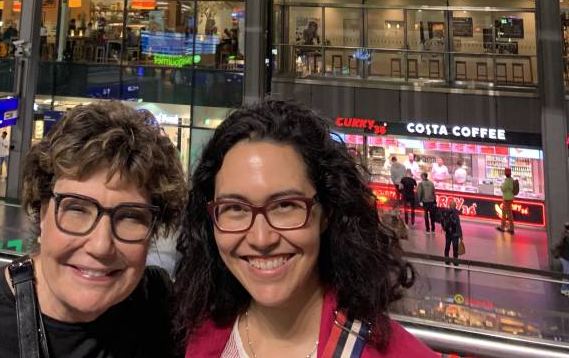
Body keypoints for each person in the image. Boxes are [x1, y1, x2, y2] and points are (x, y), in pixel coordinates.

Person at [175, 99, 437, 358]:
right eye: (235, 208)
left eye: (285, 205)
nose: (261, 238)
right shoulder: (195, 332)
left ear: (327, 212)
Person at [0, 100, 186, 357]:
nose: (100, 246)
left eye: (130, 217)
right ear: (42, 213)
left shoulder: (157, 308)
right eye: (77, 210)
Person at [440, 202, 463, 267]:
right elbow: (458, 225)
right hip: (455, 233)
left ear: (449, 206)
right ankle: (455, 262)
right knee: (455, 248)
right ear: (455, 206)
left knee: (447, 246)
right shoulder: (455, 213)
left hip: (448, 233)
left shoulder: (446, 212)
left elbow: (442, 220)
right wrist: (460, 234)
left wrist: (444, 228)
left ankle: (446, 260)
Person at [552, 222, 569, 296]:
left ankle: (566, 288)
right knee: (567, 273)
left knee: (567, 273)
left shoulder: (565, 234)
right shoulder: (566, 236)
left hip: (564, 257)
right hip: (565, 258)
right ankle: (564, 289)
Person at [496, 168, 515, 234]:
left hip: (507, 199)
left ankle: (511, 229)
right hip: (509, 198)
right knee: (504, 213)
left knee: (509, 214)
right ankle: (502, 227)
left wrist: (501, 186)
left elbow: (503, 189)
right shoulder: (511, 180)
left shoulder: (507, 181)